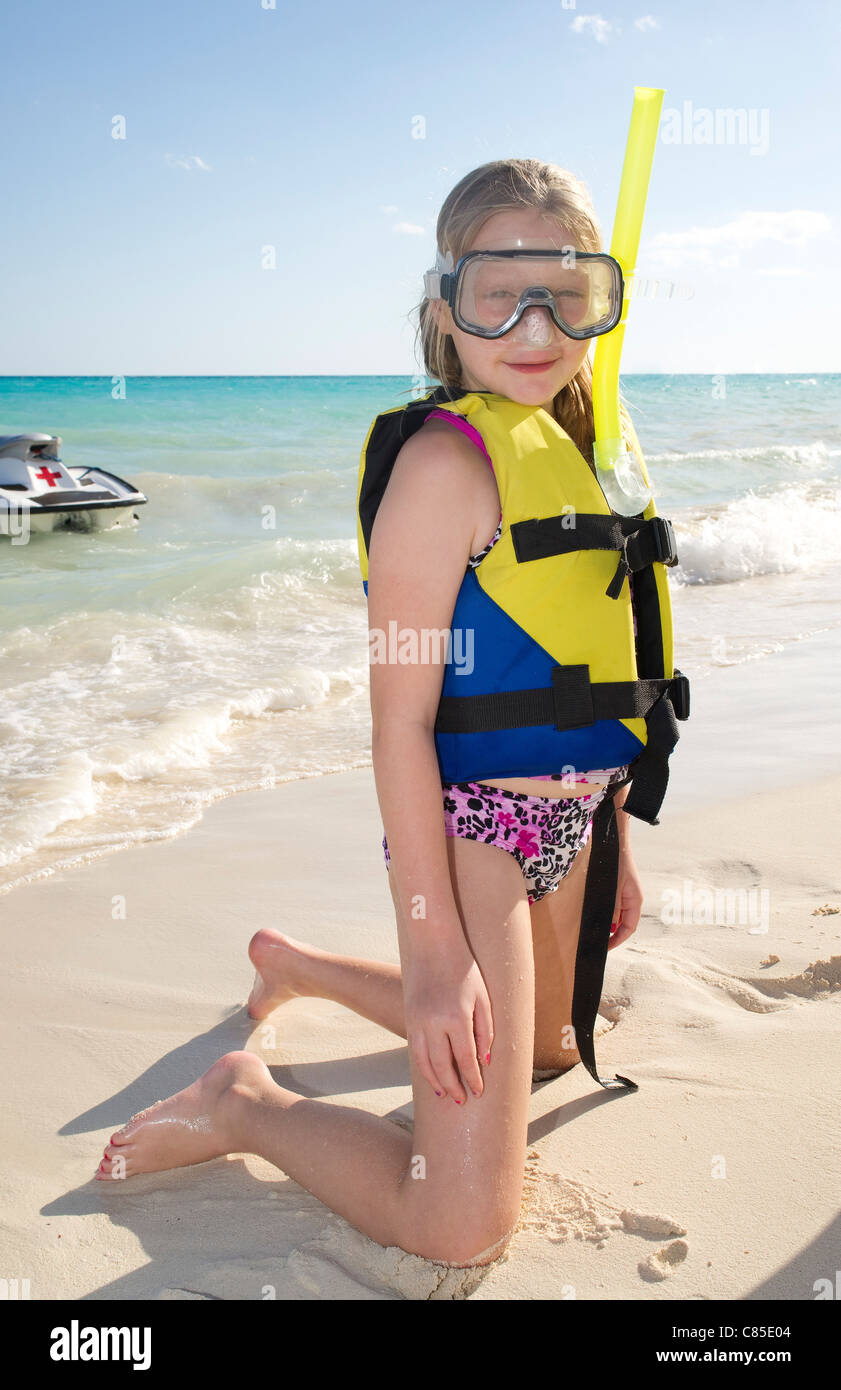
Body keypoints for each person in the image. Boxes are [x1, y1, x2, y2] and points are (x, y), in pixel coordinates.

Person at [94, 159, 672, 1271]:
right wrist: (433, 949)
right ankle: (244, 1101)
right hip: (475, 838)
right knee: (458, 1226)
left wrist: (615, 847)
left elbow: (608, 677)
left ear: (608, 301)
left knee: (549, 1050)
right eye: (499, 291)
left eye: (570, 291)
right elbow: (398, 726)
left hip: (573, 822)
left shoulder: (587, 456)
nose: (535, 325)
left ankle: (300, 968)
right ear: (443, 310)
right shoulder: (444, 471)